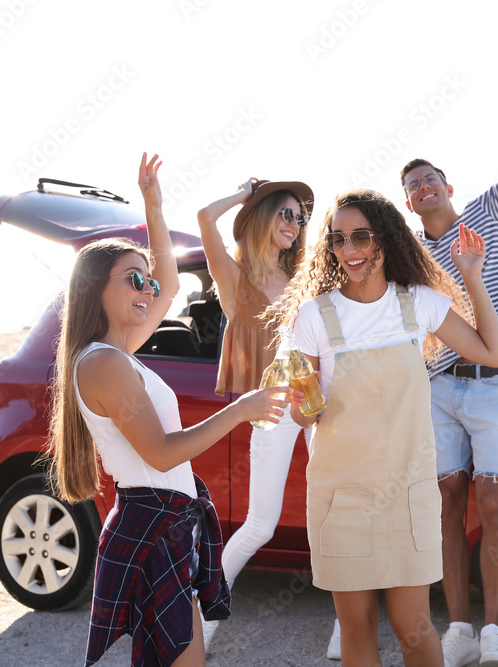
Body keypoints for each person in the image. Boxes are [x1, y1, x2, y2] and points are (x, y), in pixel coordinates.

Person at [48, 154, 297, 666]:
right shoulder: (103, 364)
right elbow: (160, 454)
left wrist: (153, 208)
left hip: (164, 522)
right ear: (97, 288)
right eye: (132, 280)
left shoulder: (117, 352)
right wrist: (243, 408)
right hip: (152, 522)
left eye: (147, 280)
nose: (149, 289)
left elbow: (172, 280)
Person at [277, 189, 498, 667]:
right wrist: (301, 402)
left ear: (387, 238)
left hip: (408, 494)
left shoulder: (419, 304)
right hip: (341, 494)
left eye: (361, 236)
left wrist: (471, 276)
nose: (350, 250)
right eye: (339, 239)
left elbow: (494, 354)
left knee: (416, 629)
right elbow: (303, 415)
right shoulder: (314, 316)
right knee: (356, 630)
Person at [398, 30, 498, 667]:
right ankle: (457, 629)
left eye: (431, 177)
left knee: (493, 501)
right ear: (408, 202)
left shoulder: (492, 211)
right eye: (413, 184)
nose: (424, 187)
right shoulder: (408, 258)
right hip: (441, 386)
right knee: (448, 499)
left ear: (447, 184)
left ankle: (493, 632)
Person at [195, 176, 314, 647]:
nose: (295, 223)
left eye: (300, 217)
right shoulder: (234, 278)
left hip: (315, 402)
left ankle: (346, 633)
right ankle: (198, 628)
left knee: (332, 514)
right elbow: (205, 218)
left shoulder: (301, 276)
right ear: (263, 217)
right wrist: (247, 193)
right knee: (260, 524)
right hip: (273, 410)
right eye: (285, 212)